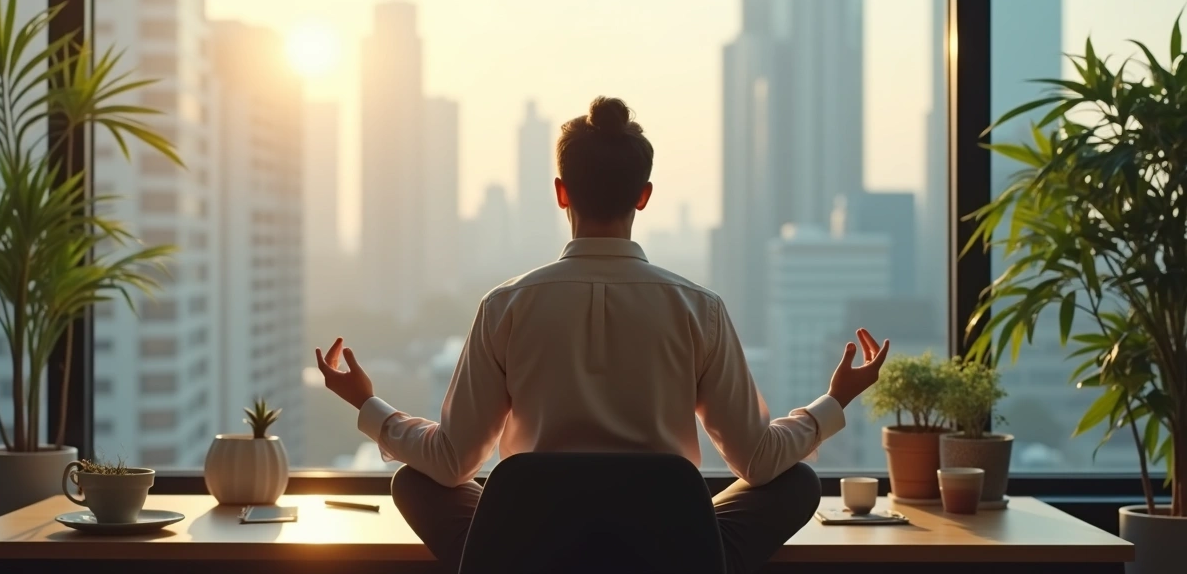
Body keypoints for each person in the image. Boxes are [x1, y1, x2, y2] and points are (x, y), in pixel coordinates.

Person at [316, 96, 889, 574]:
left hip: (526, 554)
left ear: (561, 192)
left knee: (416, 484)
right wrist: (834, 401)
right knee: (797, 485)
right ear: (643, 196)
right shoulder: (699, 309)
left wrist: (368, 405)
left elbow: (448, 463)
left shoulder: (505, 306)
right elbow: (760, 463)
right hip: (669, 554)